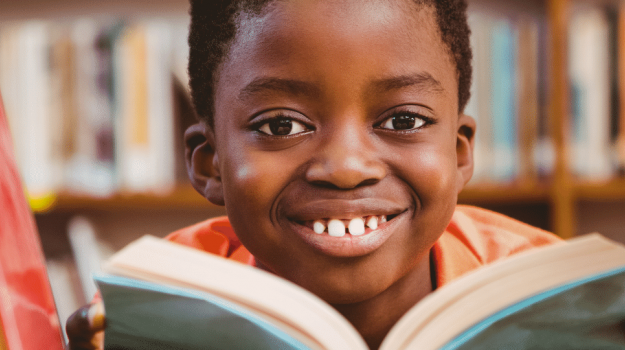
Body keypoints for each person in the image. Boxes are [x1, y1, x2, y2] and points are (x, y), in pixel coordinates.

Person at [66, 0, 561, 349]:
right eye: (281, 125)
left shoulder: (553, 296)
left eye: (403, 121)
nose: (346, 168)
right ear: (209, 163)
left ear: (457, 155)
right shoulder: (161, 304)